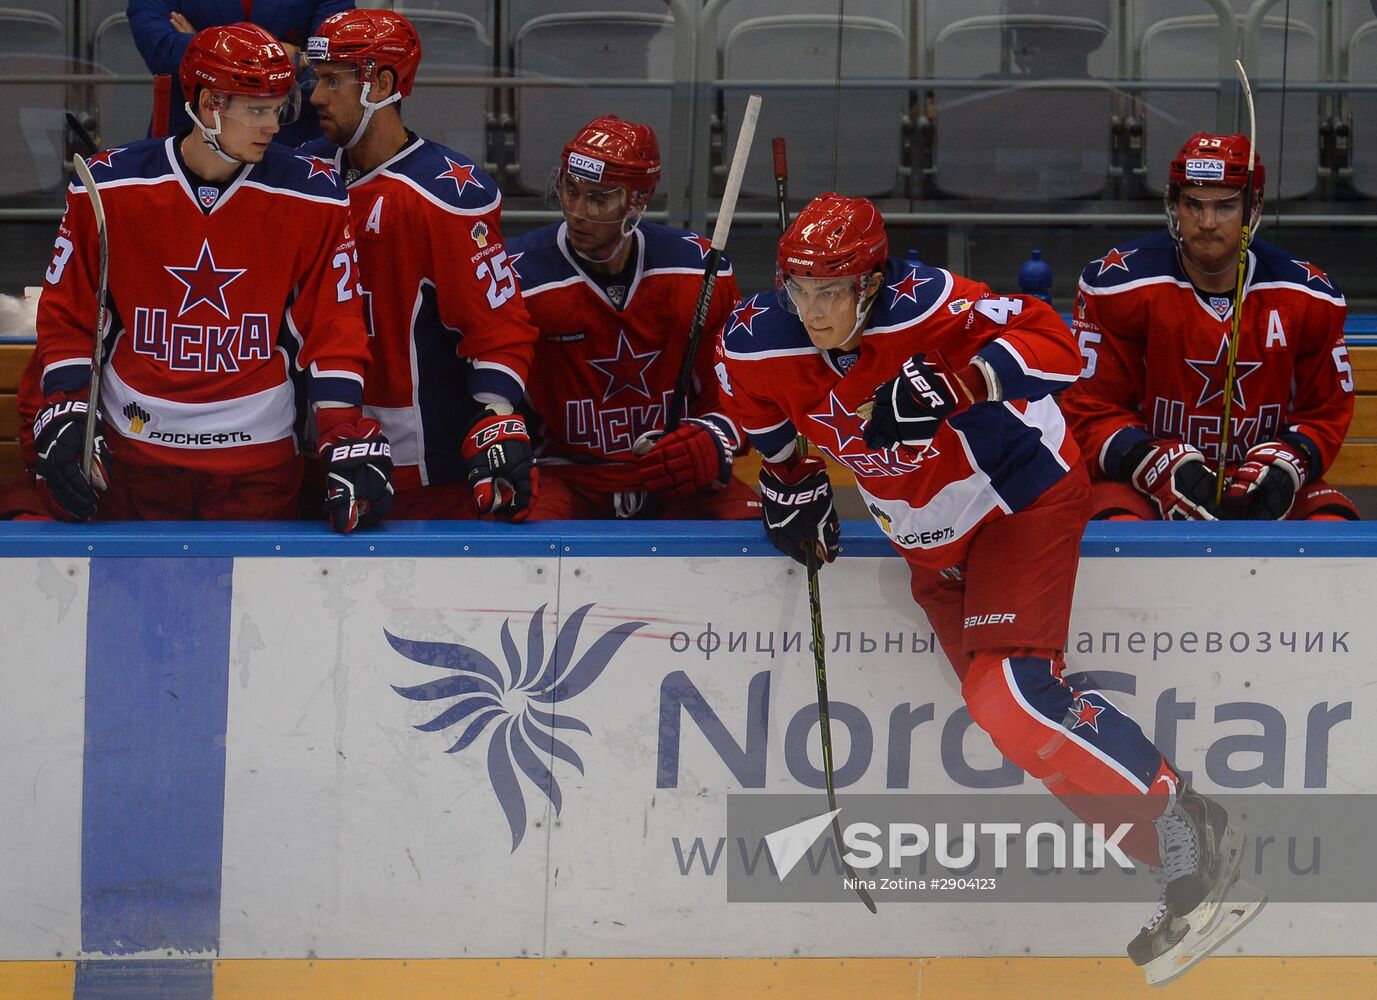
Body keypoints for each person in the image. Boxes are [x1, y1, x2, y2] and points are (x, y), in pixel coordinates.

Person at [716, 192, 1263, 984]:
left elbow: (1056, 346)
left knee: (1010, 693)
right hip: (926, 540)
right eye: (799, 289)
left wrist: (958, 381)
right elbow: (758, 407)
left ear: (870, 283)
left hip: (1016, 495)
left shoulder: (928, 304)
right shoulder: (757, 337)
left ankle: (1188, 817)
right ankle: (1183, 874)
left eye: (831, 291)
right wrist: (787, 478)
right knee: (1018, 732)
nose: (812, 310)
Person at [12, 23, 390, 531]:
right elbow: (70, 314)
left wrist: (341, 427)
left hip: (258, 463)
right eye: (257, 111)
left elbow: (333, 323)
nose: (273, 127)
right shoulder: (108, 186)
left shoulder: (313, 193)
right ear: (211, 104)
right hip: (134, 456)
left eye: (279, 110)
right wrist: (66, 407)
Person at [301, 9, 541, 520]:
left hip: (413, 471)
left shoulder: (444, 195)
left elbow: (498, 328)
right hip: (313, 448)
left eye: (333, 81)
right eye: (317, 79)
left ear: (382, 85)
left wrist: (496, 414)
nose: (316, 96)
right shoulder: (304, 176)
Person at [1061, 132, 1356, 522]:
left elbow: (1325, 410)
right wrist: (1145, 460)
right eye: (1193, 205)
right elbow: (1089, 409)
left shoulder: (1308, 295)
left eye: (1226, 206)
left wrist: (1289, 462)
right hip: (1145, 482)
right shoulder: (1118, 285)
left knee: (1332, 527)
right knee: (1115, 528)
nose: (1207, 223)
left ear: (1254, 207)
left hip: (1261, 478)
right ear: (1173, 205)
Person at [505, 114, 758, 520]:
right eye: (570, 190)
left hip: (676, 474)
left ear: (638, 201)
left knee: (748, 529)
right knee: (521, 537)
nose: (577, 212)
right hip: (567, 476)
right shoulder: (518, 276)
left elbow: (739, 391)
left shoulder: (698, 270)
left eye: (598, 198)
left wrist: (714, 438)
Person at [127, 0, 351, 144]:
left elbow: (332, 55)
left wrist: (205, 46)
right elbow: (160, 48)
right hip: (192, 136)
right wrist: (290, 54)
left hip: (292, 137)